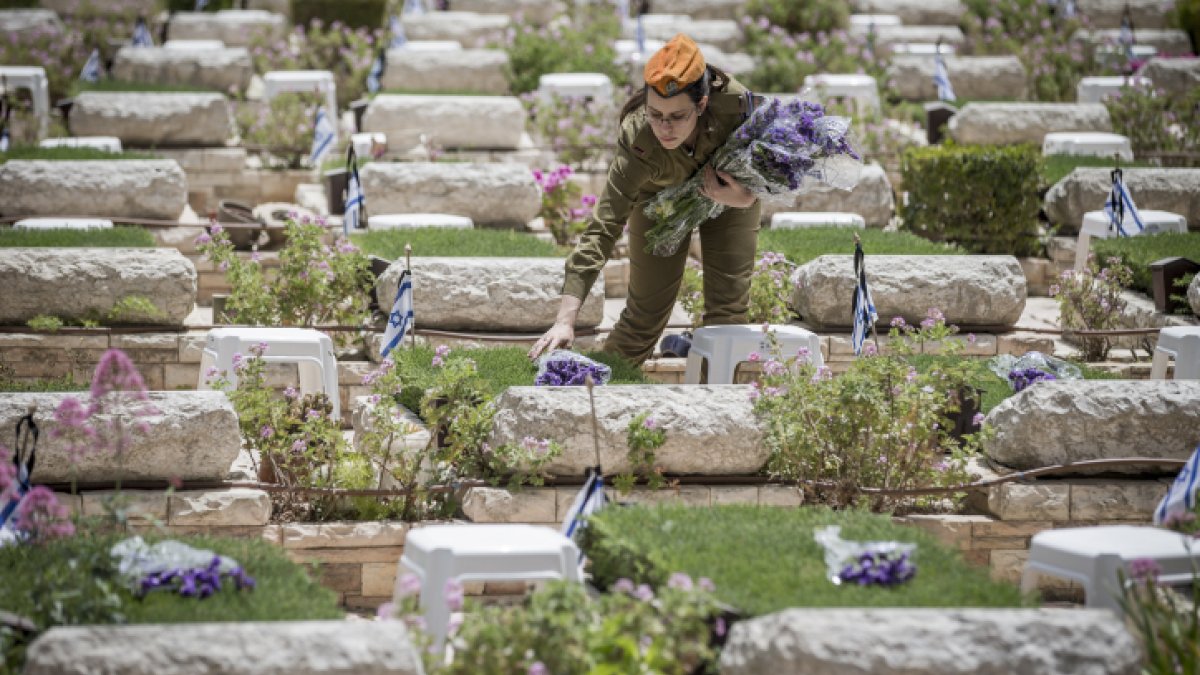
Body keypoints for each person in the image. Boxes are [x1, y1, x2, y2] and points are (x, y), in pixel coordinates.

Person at [529, 33, 763, 365]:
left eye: (677, 116)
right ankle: (593, 391)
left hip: (729, 192)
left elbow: (772, 171)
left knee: (728, 311)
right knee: (646, 315)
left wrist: (745, 198)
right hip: (660, 200)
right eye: (656, 114)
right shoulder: (638, 137)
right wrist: (565, 319)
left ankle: (713, 403)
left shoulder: (736, 107)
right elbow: (603, 227)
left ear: (702, 104)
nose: (664, 127)